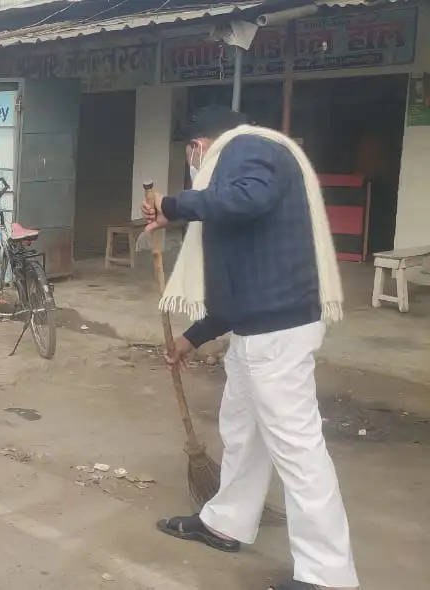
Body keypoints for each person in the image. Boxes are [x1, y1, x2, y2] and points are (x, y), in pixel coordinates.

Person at [146, 106, 356, 590]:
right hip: (257, 327)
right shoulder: (245, 159)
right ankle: (227, 521)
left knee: (298, 450)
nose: (194, 167)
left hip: (277, 333)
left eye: (190, 157)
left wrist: (174, 205)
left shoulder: (249, 148)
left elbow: (246, 199)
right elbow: (240, 280)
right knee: (243, 431)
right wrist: (191, 338)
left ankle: (329, 575)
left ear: (199, 147)